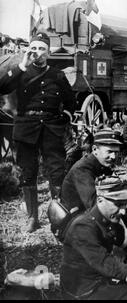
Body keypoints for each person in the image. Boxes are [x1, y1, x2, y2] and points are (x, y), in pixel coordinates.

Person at [0, 32, 76, 232]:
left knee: (56, 171)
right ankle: (33, 218)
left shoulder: (57, 74)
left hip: (51, 128)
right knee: (28, 172)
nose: (37, 52)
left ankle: (57, 217)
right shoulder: (20, 71)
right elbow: (2, 87)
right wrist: (22, 65)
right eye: (33, 48)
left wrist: (64, 118)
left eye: (41, 48)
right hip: (26, 127)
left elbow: (71, 101)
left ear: (48, 52)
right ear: (29, 50)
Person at [61, 128, 127, 215]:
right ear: (95, 150)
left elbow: (116, 188)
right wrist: (126, 204)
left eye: (116, 152)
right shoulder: (82, 170)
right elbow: (93, 205)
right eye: (109, 151)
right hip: (76, 220)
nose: (113, 156)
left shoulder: (101, 164)